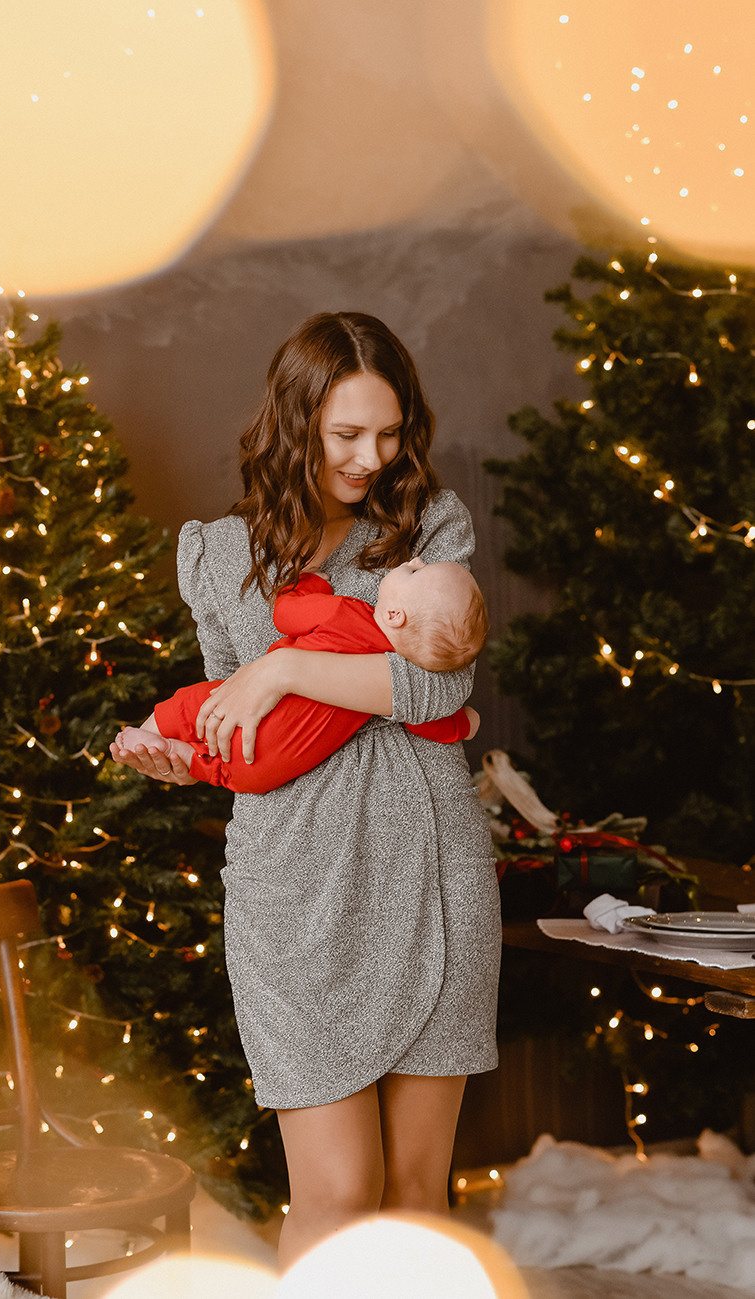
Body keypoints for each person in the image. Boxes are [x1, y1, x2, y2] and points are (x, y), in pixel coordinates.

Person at [115, 312, 500, 1271]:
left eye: (389, 430)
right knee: (332, 1194)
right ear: (294, 423)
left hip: (431, 869)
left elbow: (437, 685)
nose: (373, 456)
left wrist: (282, 670)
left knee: (417, 1193)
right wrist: (182, 751)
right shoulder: (217, 553)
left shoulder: (426, 527)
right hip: (293, 890)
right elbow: (226, 715)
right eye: (345, 434)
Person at [110, 559, 486, 794]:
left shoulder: (348, 613)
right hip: (262, 774)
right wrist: (462, 724)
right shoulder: (389, 675)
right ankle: (185, 759)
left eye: (416, 572)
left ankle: (151, 730)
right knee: (221, 769)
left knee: (193, 703)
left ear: (393, 616)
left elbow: (285, 614)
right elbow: (425, 719)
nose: (416, 559)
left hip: (237, 725)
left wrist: (308, 584)